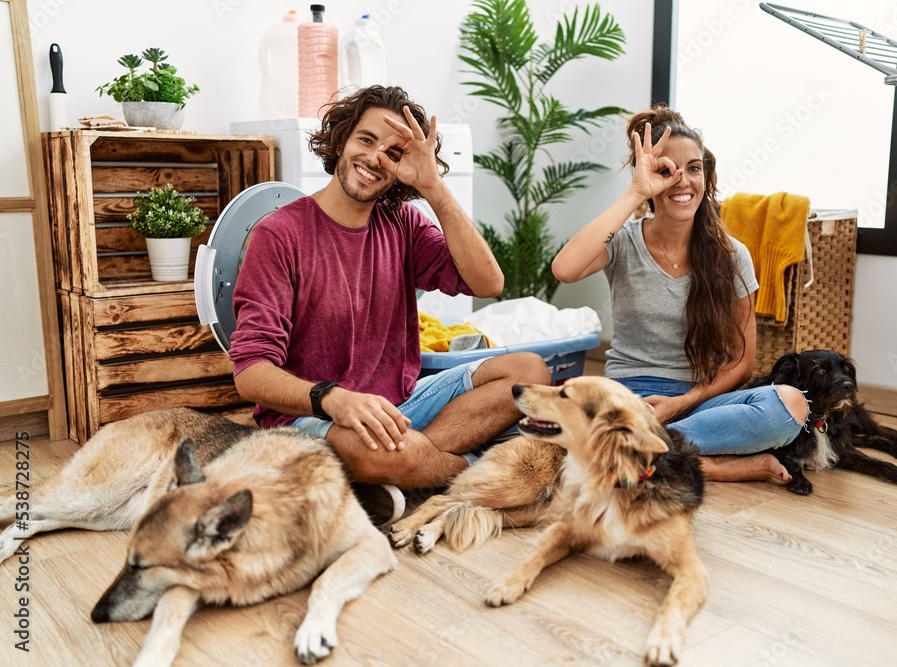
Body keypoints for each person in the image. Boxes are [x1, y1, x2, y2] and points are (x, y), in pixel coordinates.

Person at [229, 85, 551, 516]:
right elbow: (251, 373)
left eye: (394, 153)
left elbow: (488, 282)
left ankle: (408, 469)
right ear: (340, 141)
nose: (376, 157)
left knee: (529, 372)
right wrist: (335, 399)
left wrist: (434, 188)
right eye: (366, 139)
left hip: (400, 407)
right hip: (316, 416)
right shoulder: (279, 234)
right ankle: (468, 469)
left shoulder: (403, 224)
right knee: (370, 452)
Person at [552, 105, 808, 485]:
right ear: (648, 176)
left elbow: (742, 363)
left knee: (790, 405)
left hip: (700, 400)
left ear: (706, 175)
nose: (683, 181)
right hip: (631, 398)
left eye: (694, 168)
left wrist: (683, 402)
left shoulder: (732, 255)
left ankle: (639, 450)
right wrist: (634, 194)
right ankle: (707, 464)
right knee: (600, 419)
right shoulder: (623, 242)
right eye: (666, 171)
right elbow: (565, 269)